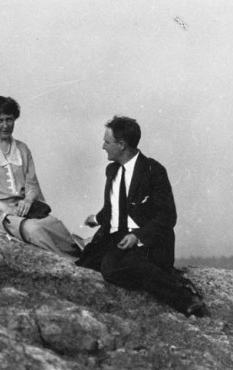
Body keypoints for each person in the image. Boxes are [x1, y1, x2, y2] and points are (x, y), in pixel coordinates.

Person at [76, 116, 207, 316]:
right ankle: (157, 275)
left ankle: (185, 297)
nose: (103, 147)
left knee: (114, 268)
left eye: (107, 142)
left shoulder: (153, 171)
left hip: (147, 243)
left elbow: (167, 216)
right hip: (116, 237)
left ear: (121, 145)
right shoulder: (112, 170)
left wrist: (138, 236)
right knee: (86, 262)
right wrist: (96, 219)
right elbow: (115, 208)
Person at [0, 96, 79, 259]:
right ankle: (71, 265)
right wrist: (7, 209)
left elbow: (32, 184)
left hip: (23, 208)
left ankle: (84, 260)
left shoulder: (22, 148)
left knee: (54, 225)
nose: (5, 125)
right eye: (0, 120)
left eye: (9, 120)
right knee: (34, 230)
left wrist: (27, 201)